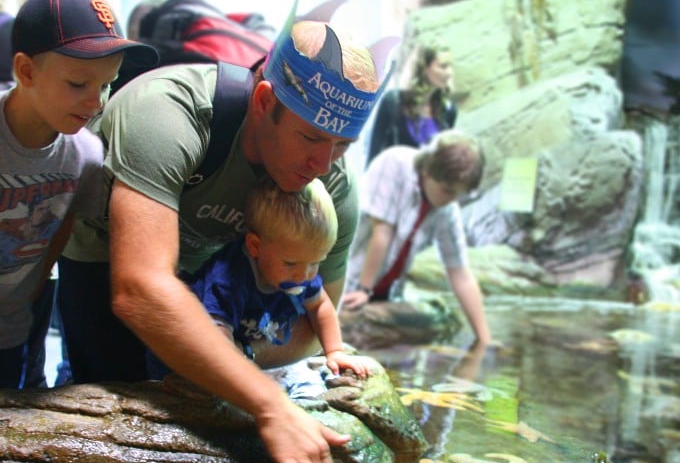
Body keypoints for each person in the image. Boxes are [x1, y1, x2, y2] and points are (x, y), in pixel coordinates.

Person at [57, 4, 393, 463]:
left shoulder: (331, 186)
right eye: (310, 136)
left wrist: (230, 354)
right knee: (115, 391)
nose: (322, 165)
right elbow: (139, 290)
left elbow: (314, 315)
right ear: (263, 101)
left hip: (206, 273)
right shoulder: (169, 112)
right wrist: (269, 406)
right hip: (105, 258)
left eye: (342, 145)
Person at [0, 0, 156, 389]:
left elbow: (64, 224)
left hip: (11, 322)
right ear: (26, 71)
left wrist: (29, 292)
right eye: (78, 84)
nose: (97, 102)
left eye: (106, 85)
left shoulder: (86, 155)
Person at [149, 177, 369, 379]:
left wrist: (335, 351)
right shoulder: (228, 280)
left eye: (315, 263)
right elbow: (214, 332)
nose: (304, 275)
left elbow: (320, 306)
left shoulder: (300, 271)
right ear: (255, 246)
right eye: (290, 263)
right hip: (176, 352)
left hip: (233, 344)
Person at [341, 129, 491, 346]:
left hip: (389, 294)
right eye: (448, 190)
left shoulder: (447, 206)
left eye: (459, 194)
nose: (452, 199)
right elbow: (382, 231)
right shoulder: (395, 163)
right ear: (428, 172)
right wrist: (364, 290)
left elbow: (460, 273)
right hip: (350, 285)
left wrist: (483, 340)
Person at [365, 44, 457, 166]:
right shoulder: (392, 102)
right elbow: (374, 155)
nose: (449, 73)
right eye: (443, 66)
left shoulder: (448, 111)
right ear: (425, 68)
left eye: (451, 66)